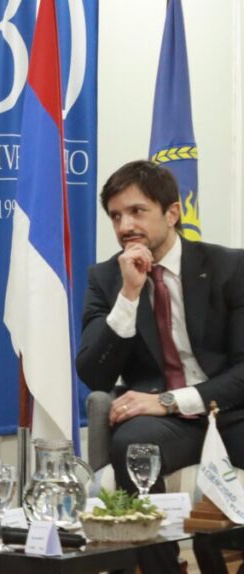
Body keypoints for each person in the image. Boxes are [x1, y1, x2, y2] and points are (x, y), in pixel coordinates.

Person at [76, 160, 244, 572]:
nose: (124, 225)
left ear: (172, 213)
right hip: (165, 427)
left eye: (137, 211)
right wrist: (129, 297)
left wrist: (169, 400)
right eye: (116, 216)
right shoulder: (106, 279)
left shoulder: (230, 267)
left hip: (229, 409)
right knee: (133, 447)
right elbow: (94, 374)